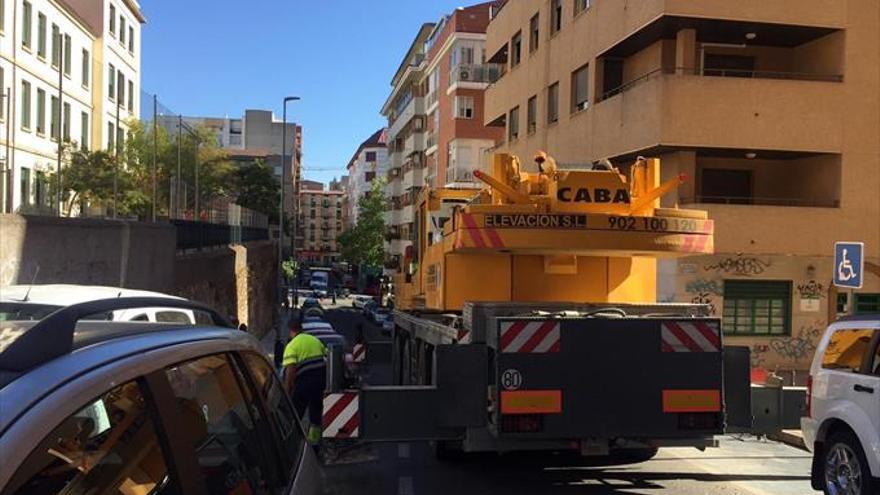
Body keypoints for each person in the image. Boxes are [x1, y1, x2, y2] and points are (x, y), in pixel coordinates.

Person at [283, 320, 328, 450]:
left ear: (291, 331)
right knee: (315, 412)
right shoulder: (314, 340)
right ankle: (314, 444)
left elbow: (290, 371)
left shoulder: (292, 346)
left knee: (295, 413)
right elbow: (326, 356)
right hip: (320, 381)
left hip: (303, 383)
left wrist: (287, 389)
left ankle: (293, 441)